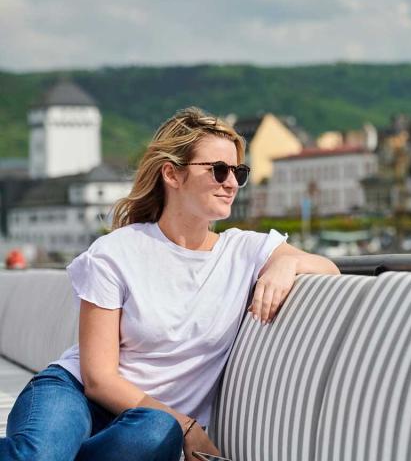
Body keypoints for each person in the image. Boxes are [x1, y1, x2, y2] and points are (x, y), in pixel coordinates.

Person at [0, 107, 340, 460]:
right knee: (40, 454)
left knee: (156, 431)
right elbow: (98, 378)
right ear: (172, 175)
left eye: (239, 172)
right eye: (218, 170)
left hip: (146, 422)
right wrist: (187, 425)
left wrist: (284, 265)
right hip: (73, 394)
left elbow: (328, 268)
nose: (232, 183)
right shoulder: (116, 251)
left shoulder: (245, 250)